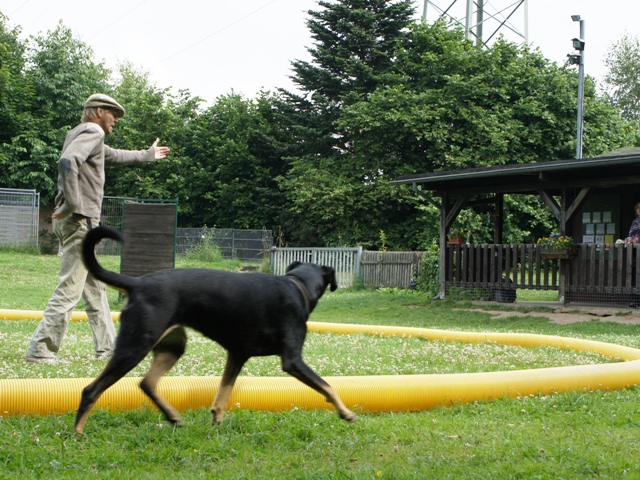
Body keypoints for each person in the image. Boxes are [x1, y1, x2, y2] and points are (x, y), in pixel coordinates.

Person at [26, 93, 170, 364]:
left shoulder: (79, 134)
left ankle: (108, 348)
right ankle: (40, 350)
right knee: (69, 287)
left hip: (76, 222)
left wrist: (147, 155)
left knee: (94, 288)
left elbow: (114, 156)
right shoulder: (92, 130)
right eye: (113, 114)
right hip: (80, 220)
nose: (115, 120)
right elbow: (68, 162)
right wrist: (71, 203)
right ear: (98, 111)